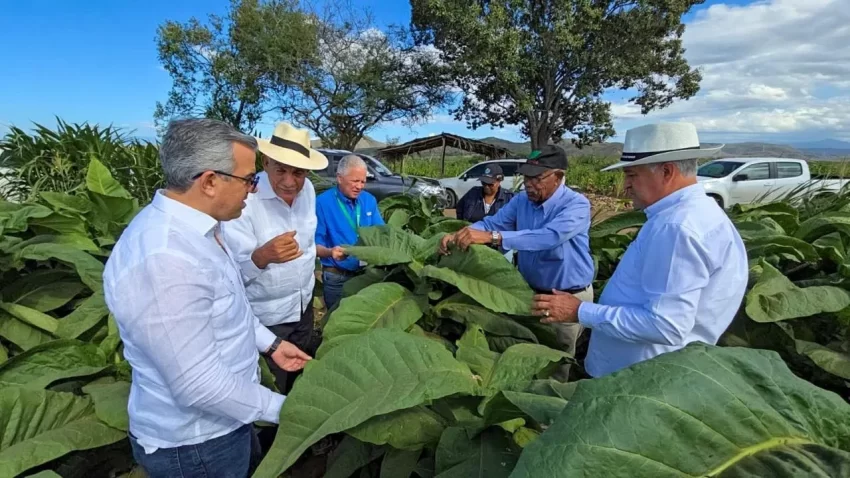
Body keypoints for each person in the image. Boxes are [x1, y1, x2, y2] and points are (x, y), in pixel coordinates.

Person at [103, 118, 311, 478]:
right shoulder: (165, 258)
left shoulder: (204, 229)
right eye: (249, 179)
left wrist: (271, 344)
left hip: (228, 422)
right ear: (210, 181)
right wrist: (290, 411)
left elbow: (228, 306)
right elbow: (199, 386)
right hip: (197, 446)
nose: (253, 190)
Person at [532, 122, 748, 377]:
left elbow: (666, 326)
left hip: (636, 376)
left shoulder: (676, 227)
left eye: (632, 175)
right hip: (646, 372)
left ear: (666, 171)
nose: (625, 185)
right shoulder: (695, 214)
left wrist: (578, 311)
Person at [440, 145, 595, 379]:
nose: (529, 184)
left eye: (536, 178)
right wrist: (460, 234)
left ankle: (550, 401)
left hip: (565, 298)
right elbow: (492, 223)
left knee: (556, 363)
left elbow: (549, 236)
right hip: (527, 294)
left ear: (558, 176)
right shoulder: (522, 201)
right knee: (524, 358)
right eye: (526, 178)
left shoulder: (576, 205)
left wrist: (493, 237)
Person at [221, 122, 327, 394]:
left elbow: (307, 247)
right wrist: (262, 256)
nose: (290, 181)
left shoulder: (308, 191)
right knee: (268, 387)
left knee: (298, 378)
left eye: (298, 172)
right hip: (266, 319)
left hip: (302, 309)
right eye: (281, 170)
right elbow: (228, 275)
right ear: (266, 163)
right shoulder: (245, 200)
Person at [315, 154, 385, 312]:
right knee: (337, 321)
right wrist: (330, 252)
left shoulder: (368, 200)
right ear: (340, 178)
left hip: (365, 275)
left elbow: (381, 233)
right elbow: (314, 245)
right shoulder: (322, 203)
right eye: (355, 181)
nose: (359, 186)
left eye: (363, 182)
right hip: (337, 277)